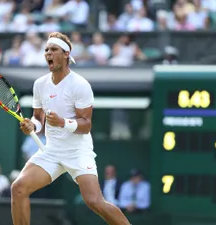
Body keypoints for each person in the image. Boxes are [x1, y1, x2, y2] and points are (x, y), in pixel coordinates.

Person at [11, 32, 131, 225]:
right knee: (18, 188)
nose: (48, 53)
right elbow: (38, 118)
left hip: (78, 151)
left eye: (54, 49)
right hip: (52, 151)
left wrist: (63, 122)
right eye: (46, 50)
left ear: (66, 54)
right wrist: (32, 125)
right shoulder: (40, 84)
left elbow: (86, 125)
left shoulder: (80, 85)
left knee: (94, 201)